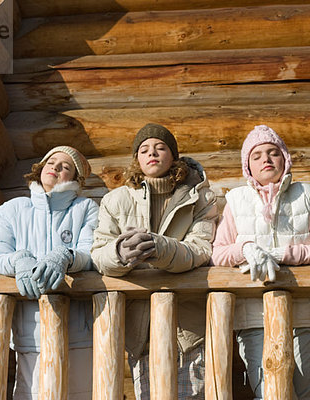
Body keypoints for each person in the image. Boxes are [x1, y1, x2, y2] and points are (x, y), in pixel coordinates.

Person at [211, 124, 310, 400]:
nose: (266, 159)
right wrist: (245, 249)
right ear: (248, 166)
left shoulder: (308, 195)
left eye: (273, 153)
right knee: (271, 395)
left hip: (307, 315)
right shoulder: (236, 200)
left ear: (285, 159)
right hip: (254, 318)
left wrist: (283, 254)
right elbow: (218, 253)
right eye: (256, 156)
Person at [91, 123, 218, 399]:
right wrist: (119, 253)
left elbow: (200, 249)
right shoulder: (115, 201)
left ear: (173, 156)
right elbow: (99, 254)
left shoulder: (201, 197)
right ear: (136, 159)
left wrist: (160, 248)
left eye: (161, 148)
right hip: (141, 331)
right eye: (144, 149)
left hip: (189, 329)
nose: (153, 153)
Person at [0, 146, 99, 400]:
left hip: (79, 333)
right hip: (29, 332)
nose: (56, 167)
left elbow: (91, 252)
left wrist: (65, 256)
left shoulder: (85, 208)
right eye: (51, 161)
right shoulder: (12, 210)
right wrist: (19, 261)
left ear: (76, 180)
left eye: (66, 166)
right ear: (40, 167)